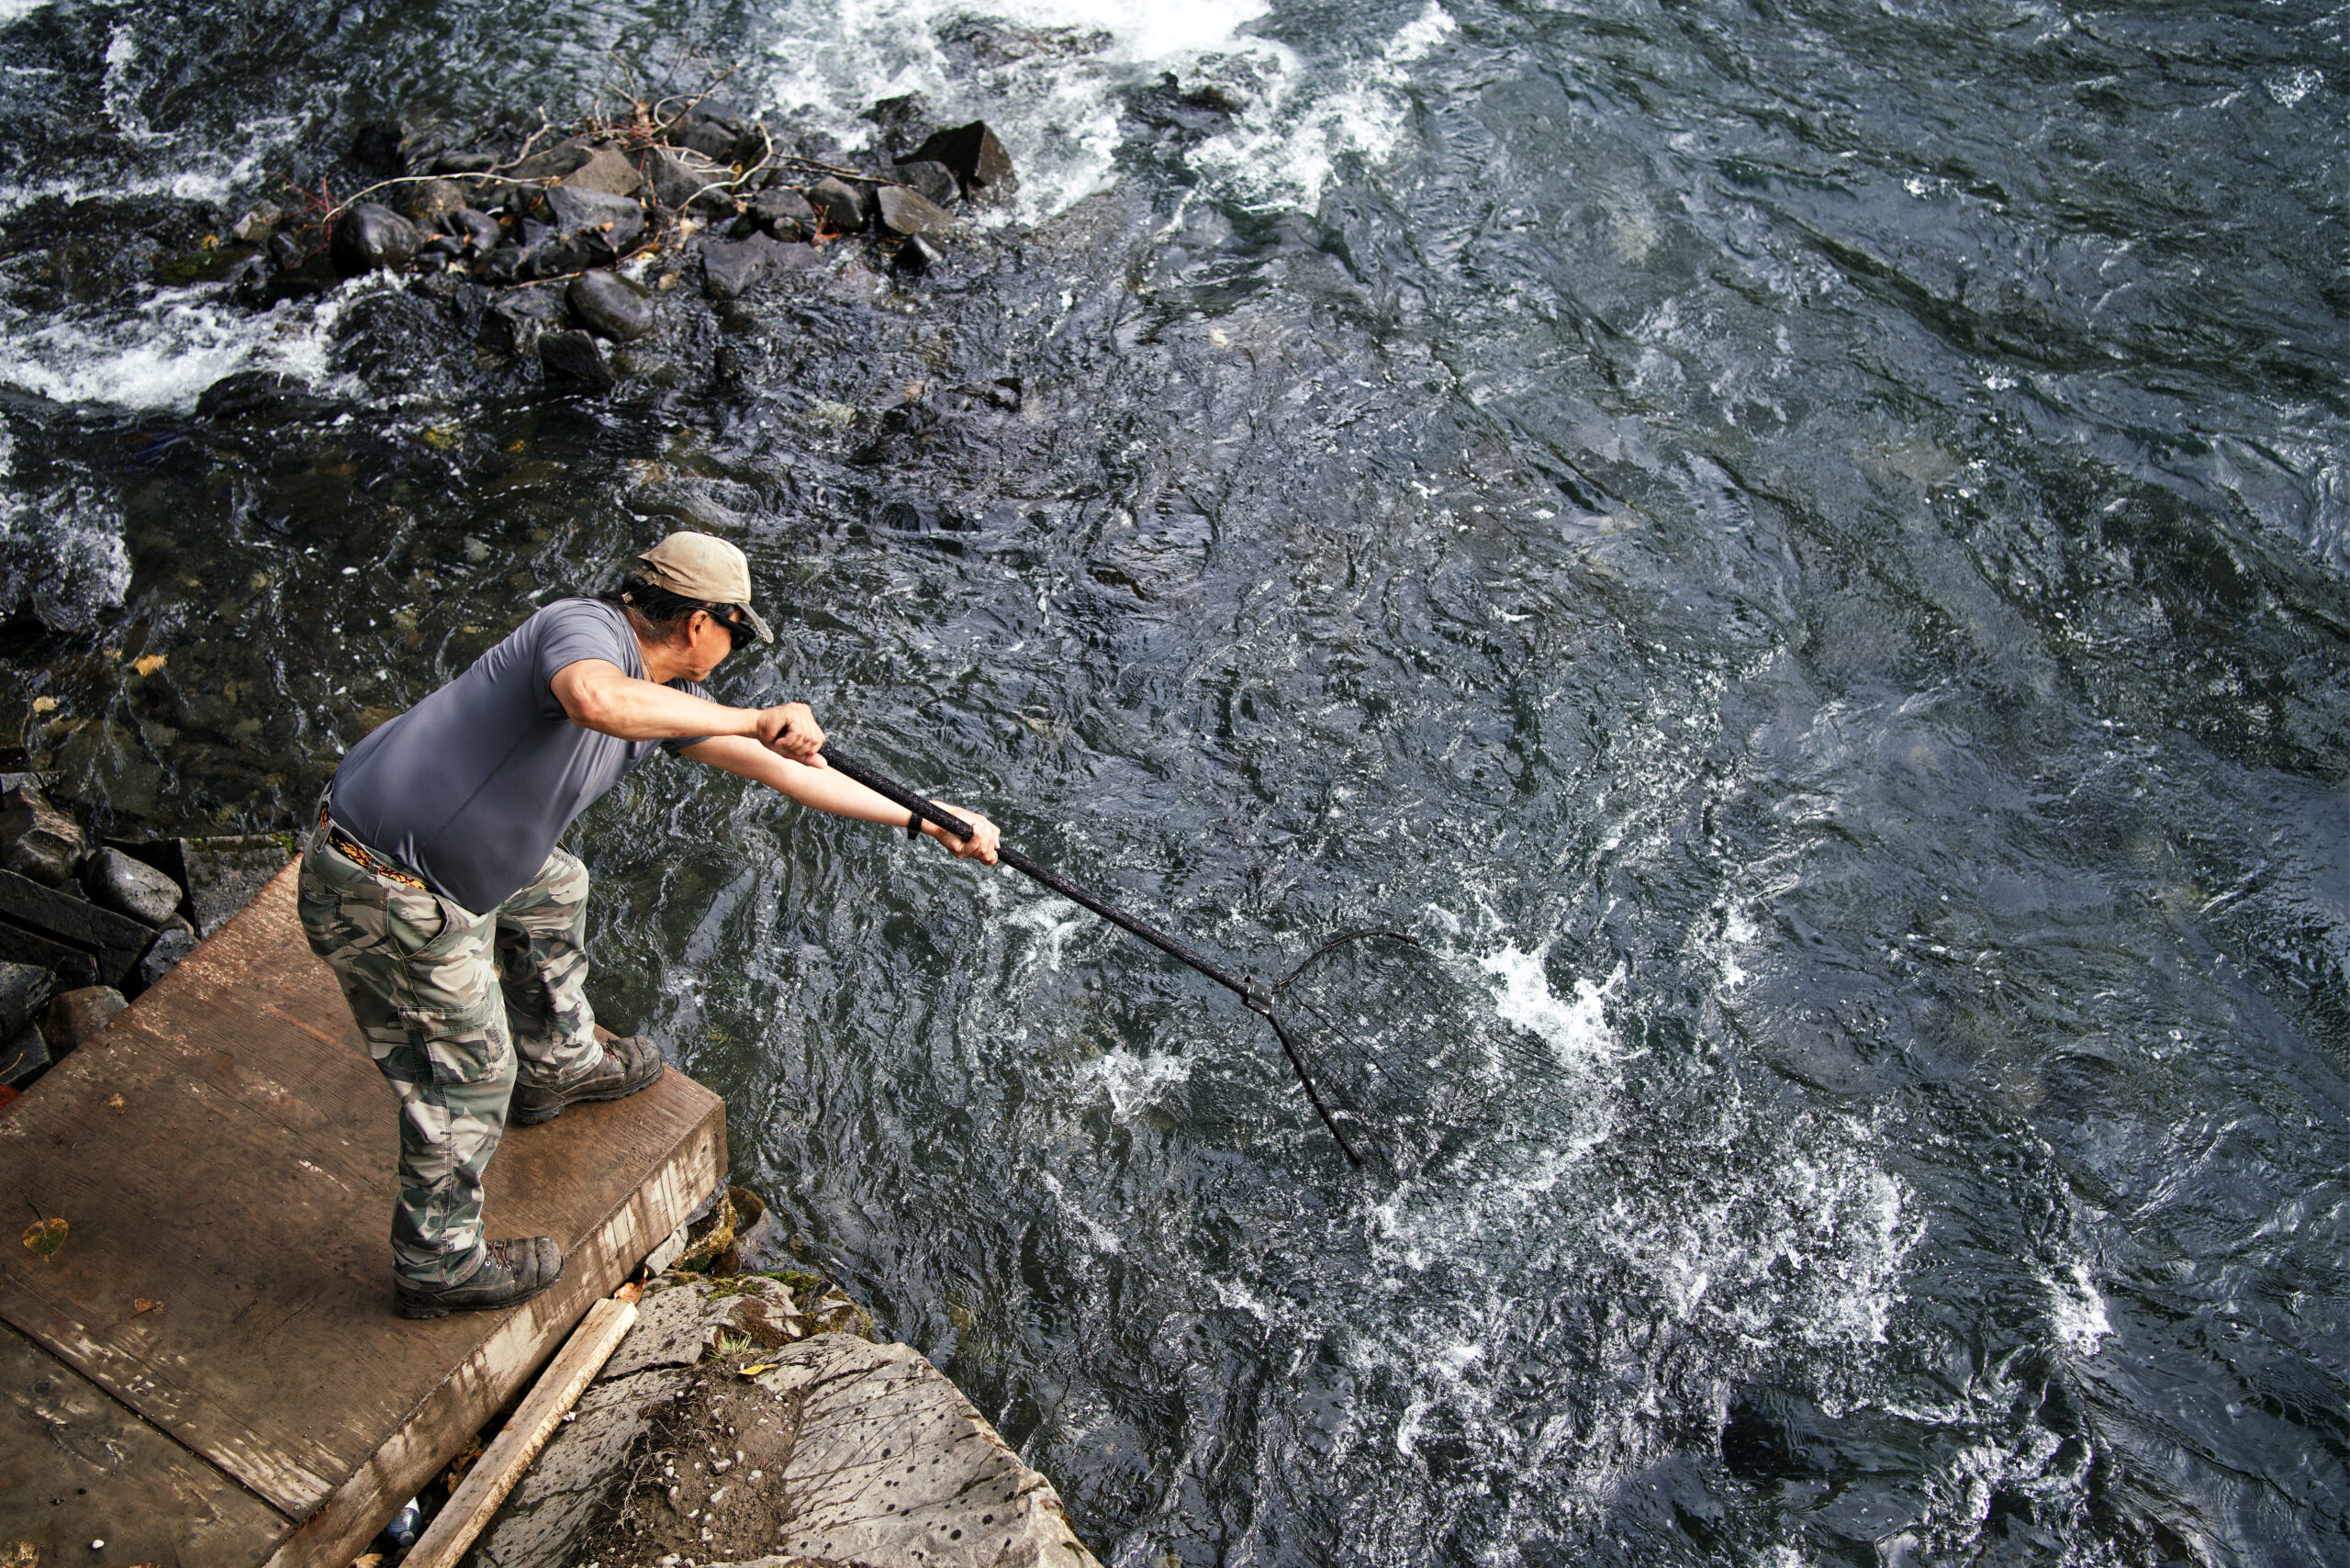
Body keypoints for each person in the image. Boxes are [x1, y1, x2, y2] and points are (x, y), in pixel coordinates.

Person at [297, 532, 1000, 1319]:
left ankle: (558, 1063)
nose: (735, 650)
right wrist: (755, 714)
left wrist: (928, 820)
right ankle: (437, 1264)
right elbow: (596, 701)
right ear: (702, 622)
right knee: (467, 1078)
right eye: (738, 631)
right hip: (383, 887)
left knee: (556, 885)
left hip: (443, 863)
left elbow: (790, 773)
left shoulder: (675, 703)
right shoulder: (583, 630)